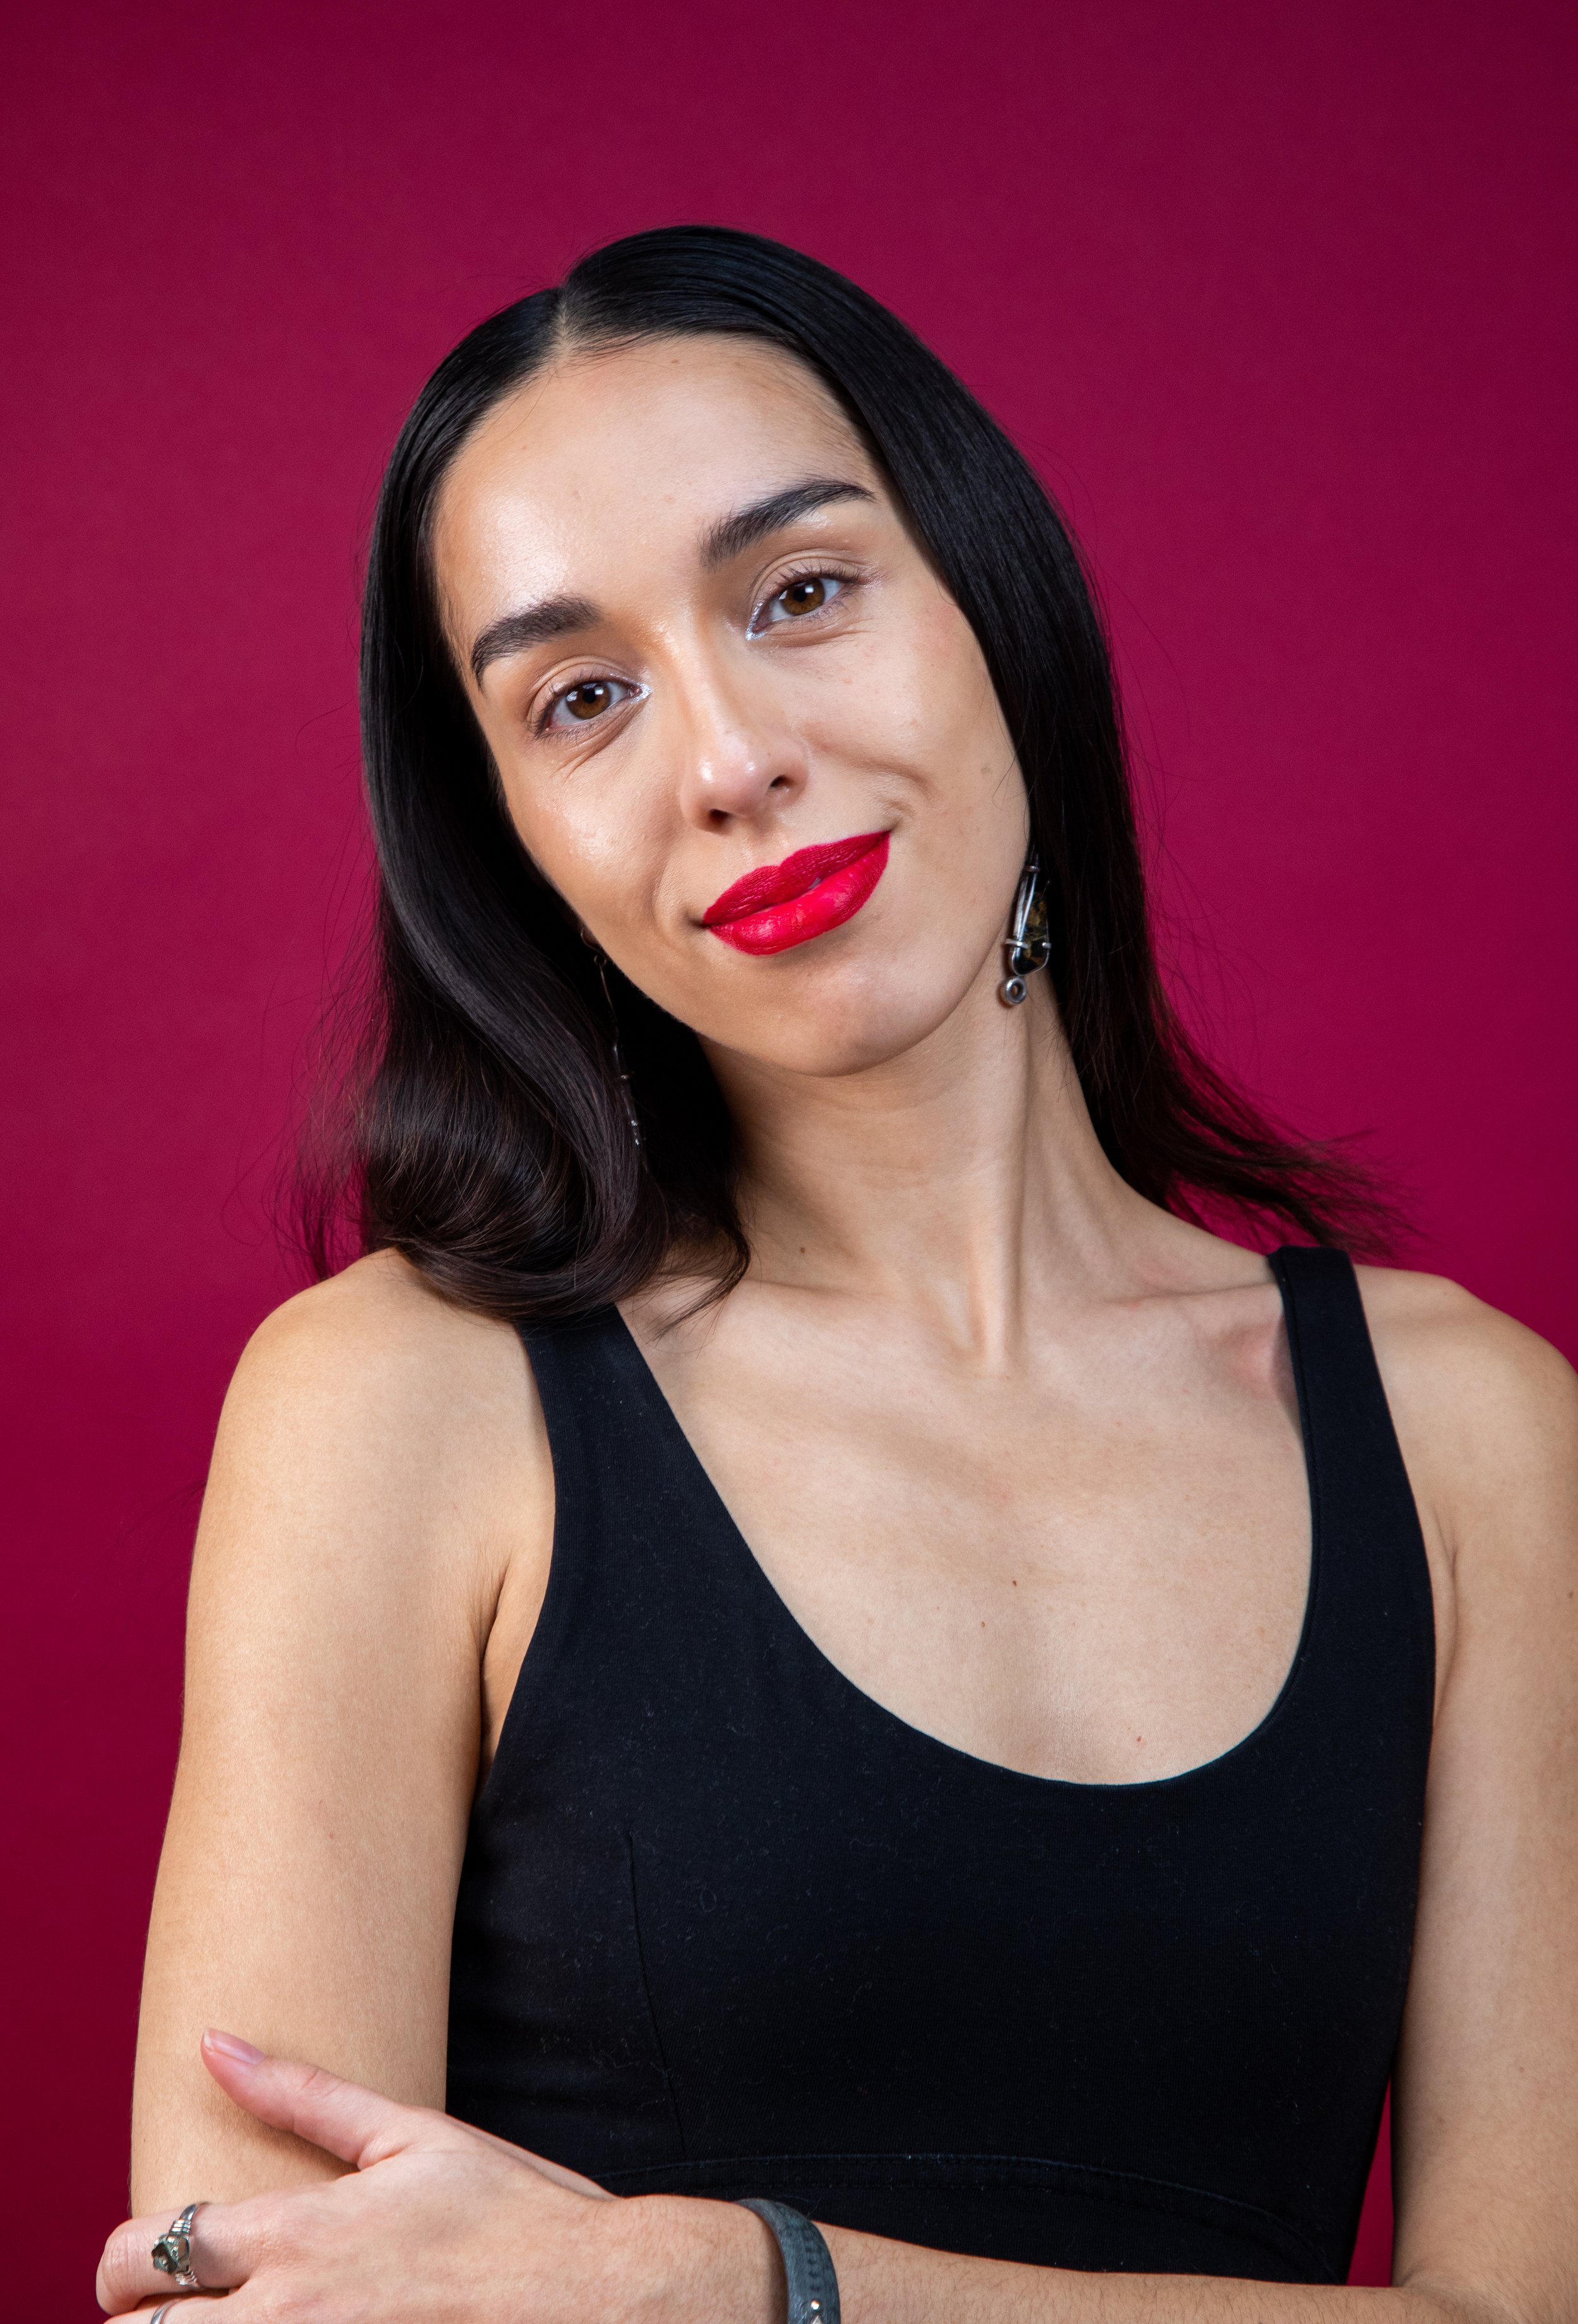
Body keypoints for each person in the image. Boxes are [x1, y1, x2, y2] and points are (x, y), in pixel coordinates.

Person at [100, 228, 1577, 2324]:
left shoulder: (1472, 1441)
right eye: (580, 697)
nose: (723, 758)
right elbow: (241, 2303)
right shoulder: (401, 1401)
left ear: (994, 606)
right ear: (509, 831)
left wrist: (729, 2288)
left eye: (800, 592)